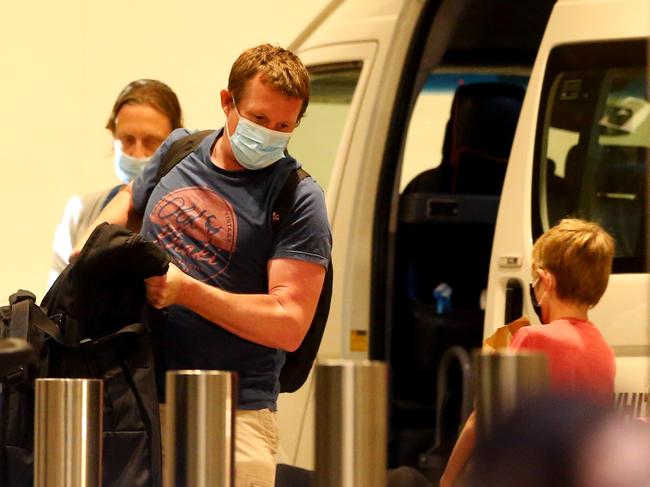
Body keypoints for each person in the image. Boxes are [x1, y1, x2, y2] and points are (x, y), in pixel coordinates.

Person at [71, 44, 331, 487]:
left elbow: (289, 323)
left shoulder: (299, 198)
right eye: (259, 119)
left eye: (284, 126)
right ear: (227, 102)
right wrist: (94, 248)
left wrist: (186, 291)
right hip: (139, 398)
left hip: (235, 416)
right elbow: (129, 201)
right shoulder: (180, 150)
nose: (269, 134)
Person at [440, 218, 616, 487]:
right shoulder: (602, 348)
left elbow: (483, 420)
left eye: (534, 282)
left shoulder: (533, 337)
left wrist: (446, 480)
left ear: (546, 280)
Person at [49, 79, 183, 285]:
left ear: (174, 143)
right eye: (127, 140)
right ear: (113, 138)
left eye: (151, 142)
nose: (138, 153)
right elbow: (57, 297)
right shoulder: (82, 211)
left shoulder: (192, 215)